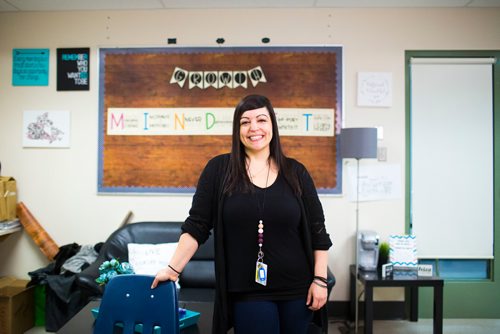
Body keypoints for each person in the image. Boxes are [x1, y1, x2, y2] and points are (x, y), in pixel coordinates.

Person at [151, 94, 333, 334]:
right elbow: (197, 226)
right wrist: (172, 269)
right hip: (247, 290)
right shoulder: (219, 170)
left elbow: (317, 229)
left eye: (261, 120)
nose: (254, 128)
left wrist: (319, 280)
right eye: (245, 122)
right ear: (237, 129)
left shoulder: (296, 172)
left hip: (297, 290)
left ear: (272, 126)